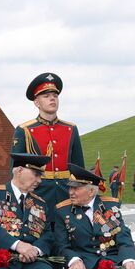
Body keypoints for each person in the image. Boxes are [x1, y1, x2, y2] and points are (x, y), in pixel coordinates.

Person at [12, 73, 84, 208]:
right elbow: (16, 169)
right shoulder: (24, 130)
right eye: (46, 96)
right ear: (37, 102)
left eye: (55, 96)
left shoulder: (70, 128)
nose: (52, 99)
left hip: (66, 192)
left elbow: (78, 167)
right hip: (38, 192)